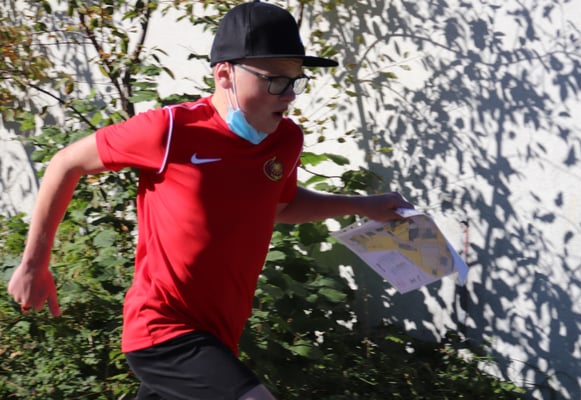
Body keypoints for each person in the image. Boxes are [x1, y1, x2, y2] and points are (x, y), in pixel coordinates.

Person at [7, 1, 412, 399]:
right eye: (276, 81)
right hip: (163, 329)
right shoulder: (169, 131)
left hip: (219, 334)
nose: (289, 95)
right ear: (224, 75)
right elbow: (66, 163)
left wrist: (361, 205)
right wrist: (34, 263)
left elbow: (280, 207)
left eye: (295, 82)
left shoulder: (286, 140)